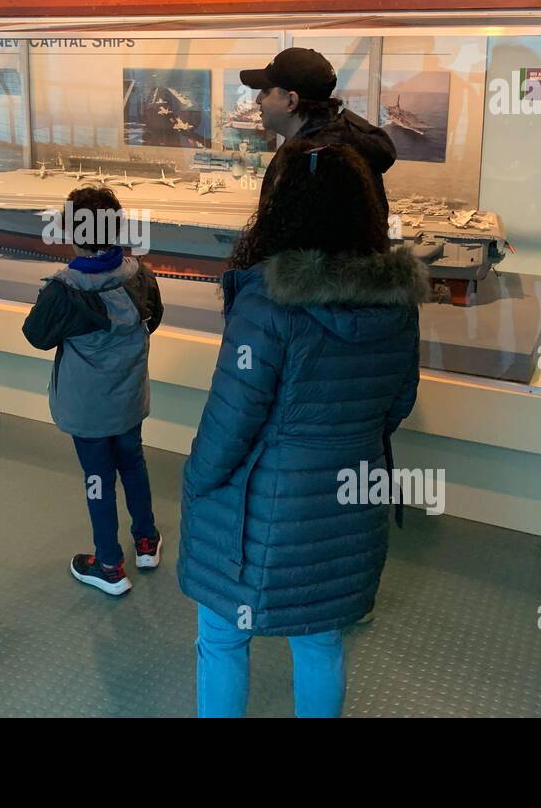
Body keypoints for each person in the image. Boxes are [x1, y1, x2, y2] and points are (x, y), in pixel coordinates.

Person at [177, 141, 426, 718]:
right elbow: (398, 401)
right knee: (320, 640)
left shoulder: (267, 305)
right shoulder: (399, 304)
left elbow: (230, 424)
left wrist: (195, 483)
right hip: (348, 504)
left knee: (222, 638)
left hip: (258, 511)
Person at [22, 186, 165, 597]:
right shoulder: (142, 276)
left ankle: (109, 565)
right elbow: (153, 319)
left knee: (98, 478)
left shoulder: (63, 290)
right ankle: (146, 542)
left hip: (87, 407)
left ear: (70, 231)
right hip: (129, 398)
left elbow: (36, 336)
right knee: (133, 464)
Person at [241, 46, 397, 214]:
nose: (258, 100)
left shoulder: (318, 162)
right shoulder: (332, 145)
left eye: (265, 91)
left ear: (291, 101)